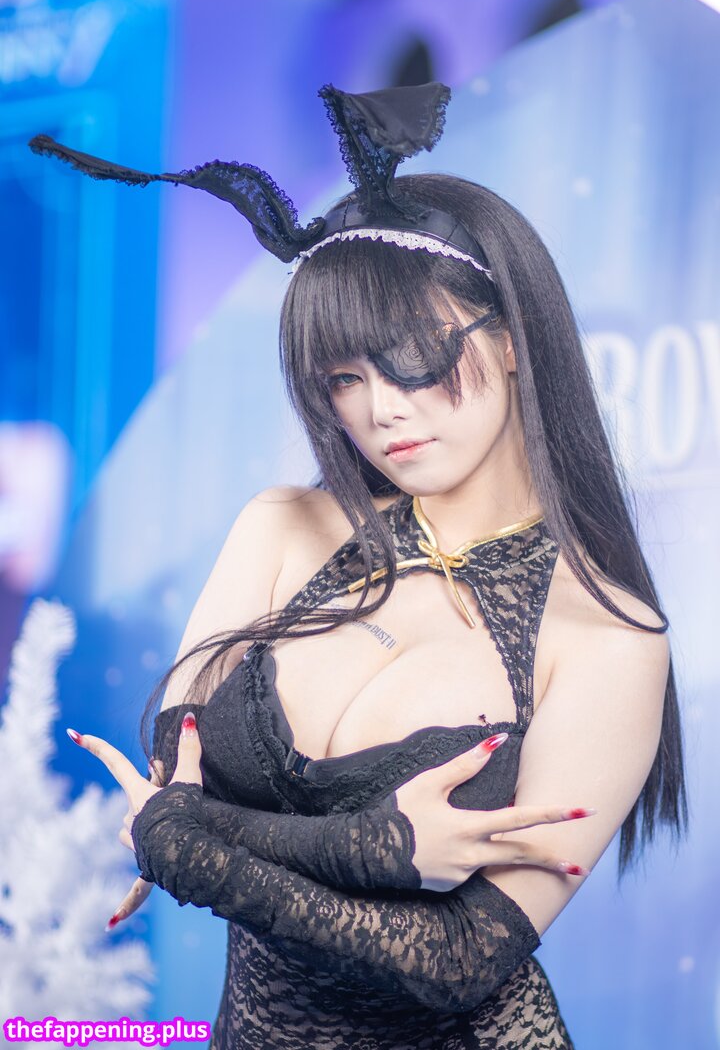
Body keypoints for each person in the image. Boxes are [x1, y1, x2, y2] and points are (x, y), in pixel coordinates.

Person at [45, 83, 687, 1049]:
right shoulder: (281, 530)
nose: (382, 408)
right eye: (345, 377)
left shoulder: (606, 639)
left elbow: (458, 960)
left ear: (512, 339)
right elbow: (174, 788)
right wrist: (372, 848)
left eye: (414, 357)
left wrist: (188, 846)